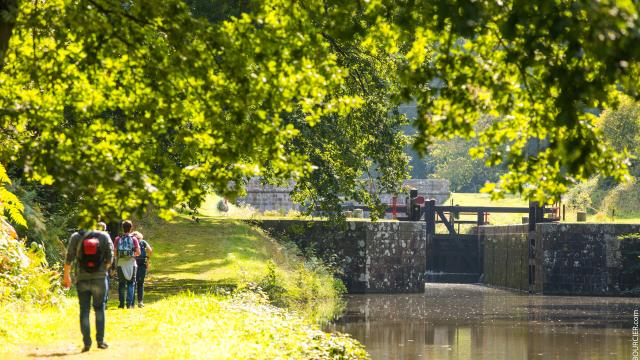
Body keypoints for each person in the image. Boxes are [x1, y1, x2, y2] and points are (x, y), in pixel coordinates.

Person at [63, 226, 114, 352]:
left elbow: (69, 258)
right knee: (99, 308)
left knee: (84, 310)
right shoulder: (104, 236)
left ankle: (86, 343)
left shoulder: (76, 236)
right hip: (100, 278)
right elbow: (110, 258)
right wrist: (102, 270)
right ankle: (100, 341)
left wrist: (66, 276)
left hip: (82, 278)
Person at [114, 220, 141, 309]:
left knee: (121, 284)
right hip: (131, 263)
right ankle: (129, 304)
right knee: (131, 283)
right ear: (131, 228)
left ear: (123, 228)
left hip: (121, 263)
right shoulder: (134, 238)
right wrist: (131, 255)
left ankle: (121, 304)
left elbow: (115, 253)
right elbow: (138, 252)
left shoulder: (118, 238)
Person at [132, 231, 152, 308]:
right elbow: (150, 250)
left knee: (132, 283)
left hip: (132, 264)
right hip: (142, 264)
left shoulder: (131, 241)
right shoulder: (143, 242)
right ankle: (140, 302)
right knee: (140, 283)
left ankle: (131, 302)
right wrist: (147, 258)